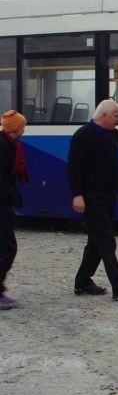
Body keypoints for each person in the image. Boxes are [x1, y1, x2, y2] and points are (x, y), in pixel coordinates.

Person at [68, 99, 118, 301]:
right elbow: (73, 168)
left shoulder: (111, 134)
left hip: (109, 195)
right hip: (92, 197)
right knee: (107, 241)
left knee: (95, 242)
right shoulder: (83, 136)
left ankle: (82, 282)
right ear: (104, 116)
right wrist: (77, 195)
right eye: (117, 115)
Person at [0, 110, 29, 310]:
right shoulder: (4, 148)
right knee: (8, 248)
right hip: (1, 205)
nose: (24, 130)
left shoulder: (9, 145)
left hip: (4, 203)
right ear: (15, 129)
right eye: (22, 127)